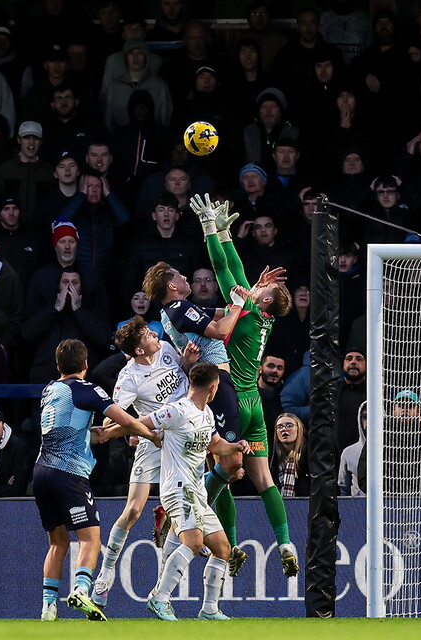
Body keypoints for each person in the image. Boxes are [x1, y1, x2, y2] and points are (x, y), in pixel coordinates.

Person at [190, 193, 298, 578]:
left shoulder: (247, 311)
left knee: (224, 472)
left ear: (263, 302)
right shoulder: (263, 317)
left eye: (261, 291)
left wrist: (210, 229)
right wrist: (227, 234)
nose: (254, 286)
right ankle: (285, 542)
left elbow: (223, 268)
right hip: (255, 403)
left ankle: (230, 543)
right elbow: (238, 271)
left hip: (232, 400)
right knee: (263, 478)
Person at [33, 338, 158, 622]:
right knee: (90, 539)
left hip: (41, 471)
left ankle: (48, 608)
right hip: (69, 473)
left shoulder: (50, 389)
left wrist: (93, 435)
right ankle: (81, 590)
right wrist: (152, 436)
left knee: (57, 542)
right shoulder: (86, 389)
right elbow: (126, 419)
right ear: (86, 364)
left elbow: (67, 428)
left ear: (58, 366)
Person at [91, 316, 198, 608]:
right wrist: (128, 431)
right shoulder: (129, 378)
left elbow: (184, 379)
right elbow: (113, 418)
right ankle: (105, 573)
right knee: (134, 509)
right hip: (153, 440)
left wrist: (187, 363)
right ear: (139, 350)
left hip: (184, 438)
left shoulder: (167, 349)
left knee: (182, 512)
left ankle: (162, 591)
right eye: (148, 335)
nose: (155, 335)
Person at [131, 361, 252, 621]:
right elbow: (139, 422)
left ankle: (209, 609)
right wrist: (112, 432)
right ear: (213, 387)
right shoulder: (177, 410)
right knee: (194, 543)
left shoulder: (206, 413)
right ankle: (159, 598)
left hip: (196, 491)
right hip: (177, 488)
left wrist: (236, 446)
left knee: (222, 549)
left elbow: (216, 445)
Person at [270, 412, 308, 497]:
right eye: (280, 427)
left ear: (299, 429)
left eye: (289, 426)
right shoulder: (272, 457)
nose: (284, 429)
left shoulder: (309, 453)